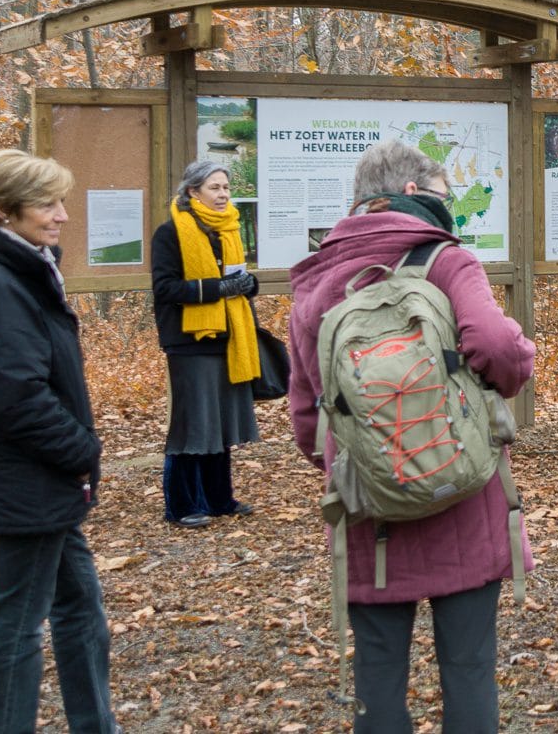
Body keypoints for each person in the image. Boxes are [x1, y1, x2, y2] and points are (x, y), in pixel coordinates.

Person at [287, 139, 534, 734]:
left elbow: (307, 419)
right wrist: (500, 380)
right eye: (444, 196)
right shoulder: (446, 260)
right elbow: (500, 350)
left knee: (377, 675)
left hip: (369, 506)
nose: (447, 209)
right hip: (463, 491)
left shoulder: (316, 280)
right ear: (414, 192)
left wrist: (372, 454)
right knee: (469, 669)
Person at [0, 149, 115, 732]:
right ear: (2, 210)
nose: (62, 214)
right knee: (17, 623)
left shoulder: (19, 273)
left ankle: (95, 724)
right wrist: (81, 451)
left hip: (39, 479)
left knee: (79, 608)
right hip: (24, 478)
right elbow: (18, 400)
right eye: (47, 204)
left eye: (61, 201)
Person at [150, 160, 261, 528]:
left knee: (219, 423)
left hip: (227, 337)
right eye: (215, 187)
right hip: (190, 341)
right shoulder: (171, 232)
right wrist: (218, 288)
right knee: (193, 424)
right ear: (192, 191)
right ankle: (181, 505)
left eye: (226, 187)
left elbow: (237, 278)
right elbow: (165, 288)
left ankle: (218, 499)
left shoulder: (227, 229)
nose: (223, 194)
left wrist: (248, 285)